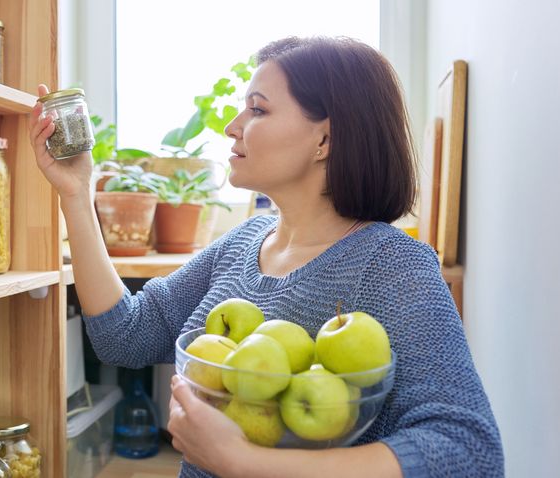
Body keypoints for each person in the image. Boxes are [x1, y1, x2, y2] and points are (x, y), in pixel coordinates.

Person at [29, 36, 503, 478]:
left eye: (257, 109)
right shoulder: (242, 242)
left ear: (325, 141)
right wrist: (76, 194)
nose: (232, 127)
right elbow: (125, 337)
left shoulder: (394, 265)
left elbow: (469, 451)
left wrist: (243, 461)